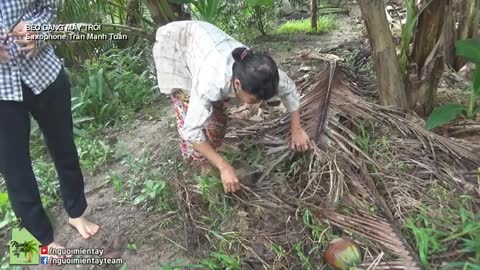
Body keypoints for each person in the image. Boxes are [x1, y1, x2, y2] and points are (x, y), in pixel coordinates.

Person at [152, 20, 311, 193]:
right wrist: (223, 166)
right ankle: (200, 165)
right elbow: (191, 130)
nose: (258, 104)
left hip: (204, 42)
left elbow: (290, 91)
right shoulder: (211, 82)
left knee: (218, 123)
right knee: (188, 110)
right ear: (237, 83)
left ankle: (211, 155)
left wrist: (297, 129)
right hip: (177, 45)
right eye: (254, 100)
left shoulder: (266, 74)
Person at [0, 0, 99, 254]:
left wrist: (38, 31)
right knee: (14, 170)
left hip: (43, 70)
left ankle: (76, 212)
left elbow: (48, 8)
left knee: (64, 146)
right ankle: (39, 242)